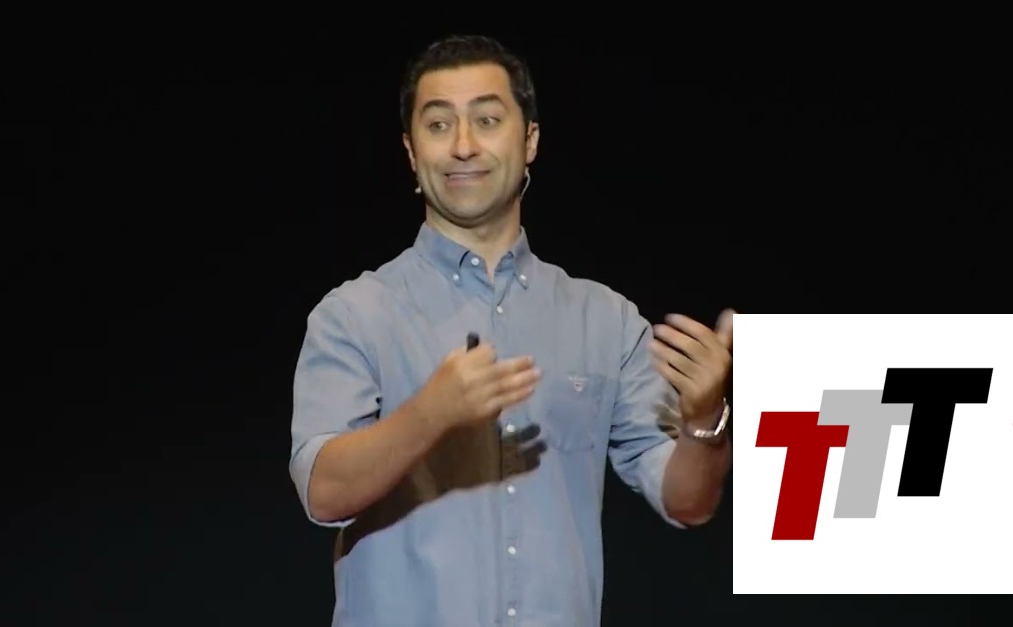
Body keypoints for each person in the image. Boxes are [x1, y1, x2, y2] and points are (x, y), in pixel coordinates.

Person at [289, 34, 733, 626]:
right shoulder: (354, 314)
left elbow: (687, 502)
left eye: (487, 120)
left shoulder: (604, 319)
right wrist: (428, 415)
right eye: (439, 125)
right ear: (411, 152)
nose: (463, 145)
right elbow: (322, 492)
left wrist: (706, 422)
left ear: (530, 141)